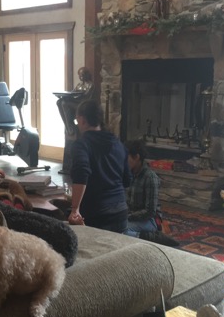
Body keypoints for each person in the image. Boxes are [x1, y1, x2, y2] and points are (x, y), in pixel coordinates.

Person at [68, 99, 131, 233]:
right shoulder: (117, 143)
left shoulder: (81, 144)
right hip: (121, 212)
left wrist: (75, 209)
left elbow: (81, 173)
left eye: (77, 121)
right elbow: (127, 180)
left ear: (82, 120)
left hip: (96, 213)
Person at [123, 140, 180, 246]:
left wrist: (128, 216)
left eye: (126, 157)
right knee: (110, 227)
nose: (123, 161)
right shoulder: (128, 174)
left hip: (149, 220)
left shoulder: (150, 177)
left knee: (121, 231)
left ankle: (151, 237)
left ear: (137, 157)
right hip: (131, 217)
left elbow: (150, 212)